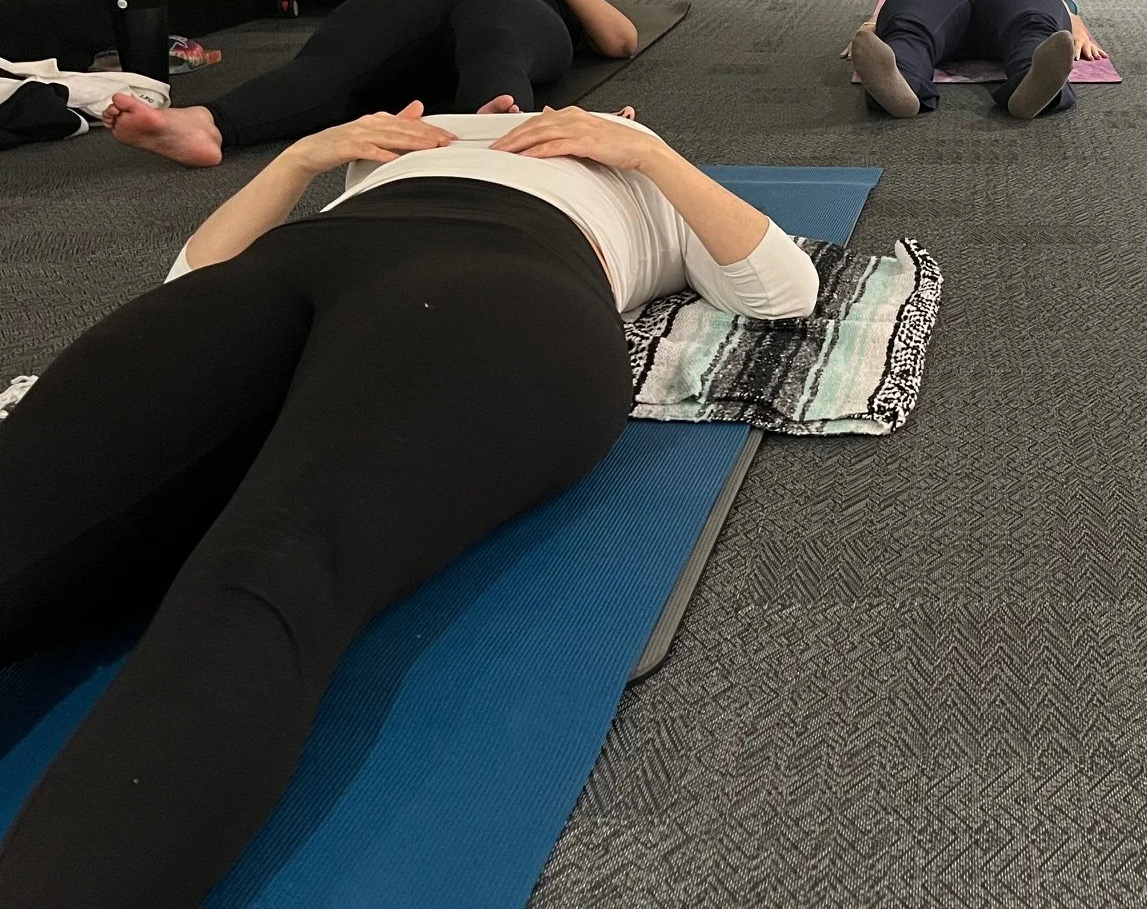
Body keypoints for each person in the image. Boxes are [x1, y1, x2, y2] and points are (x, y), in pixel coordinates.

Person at [0, 103, 818, 907]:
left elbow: (786, 290)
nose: (511, 112)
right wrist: (304, 160)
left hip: (506, 281)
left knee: (270, 564)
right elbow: (190, 281)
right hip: (296, 263)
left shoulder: (639, 173)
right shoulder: (383, 157)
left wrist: (643, 148)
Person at [100, 0, 639, 168]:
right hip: (416, 3)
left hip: (513, 4)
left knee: (494, 40)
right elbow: (384, 5)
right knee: (339, 57)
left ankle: (496, 134)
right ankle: (205, 123)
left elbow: (622, 41)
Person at [847, 0, 1105, 120]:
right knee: (911, 22)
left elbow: (1060, 0)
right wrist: (870, 28)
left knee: (1033, 22)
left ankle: (1032, 88)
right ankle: (899, 85)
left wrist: (1076, 29)